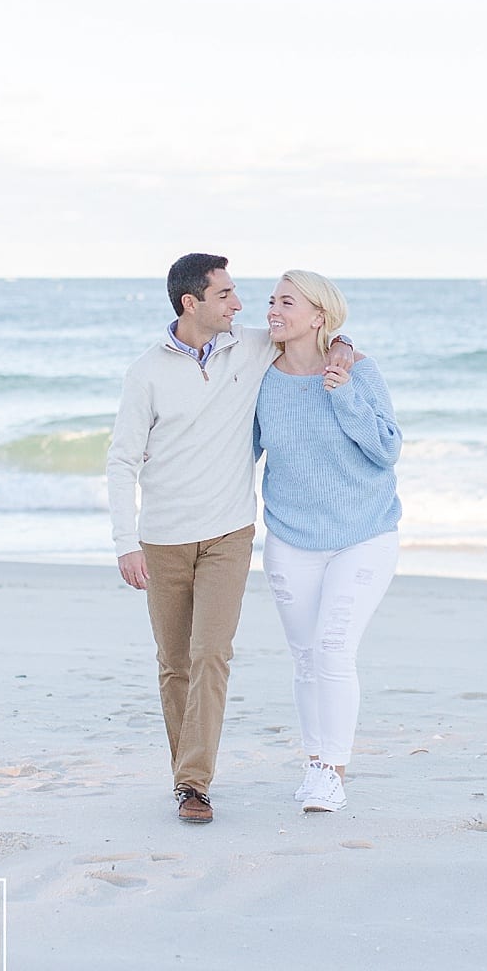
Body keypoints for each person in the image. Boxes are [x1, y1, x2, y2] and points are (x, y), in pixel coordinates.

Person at [107, 253, 359, 825]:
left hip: (228, 534)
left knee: (211, 655)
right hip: (162, 539)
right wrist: (126, 541)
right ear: (191, 303)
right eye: (226, 295)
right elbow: (121, 460)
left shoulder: (248, 345)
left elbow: (320, 334)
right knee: (174, 664)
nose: (240, 304)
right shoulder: (146, 372)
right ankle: (185, 777)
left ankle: (194, 782)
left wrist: (342, 352)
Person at [253, 269, 403, 814]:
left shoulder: (358, 371)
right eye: (271, 301)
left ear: (319, 315)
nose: (273, 310)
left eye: (285, 302)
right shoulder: (261, 377)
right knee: (306, 658)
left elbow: (387, 450)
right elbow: (239, 450)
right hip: (291, 538)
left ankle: (332, 771)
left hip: (363, 534)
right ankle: (315, 763)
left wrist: (343, 397)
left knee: (334, 649)